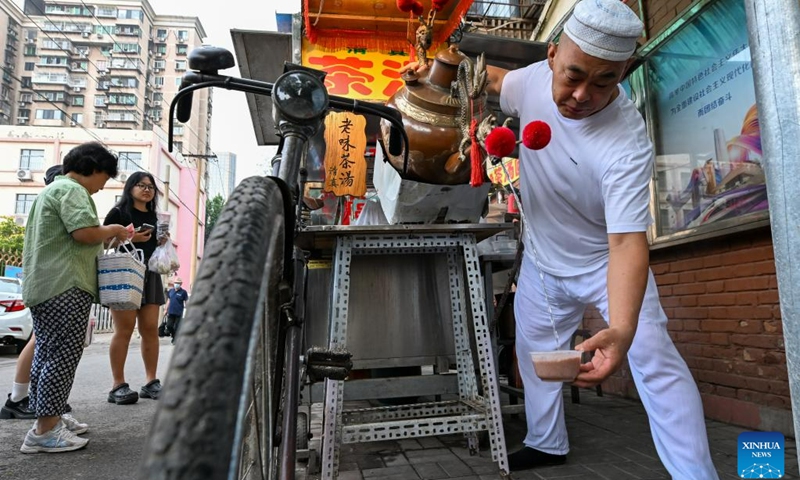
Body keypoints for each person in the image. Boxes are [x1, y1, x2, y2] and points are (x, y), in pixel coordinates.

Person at [482, 0, 718, 477]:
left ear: (624, 71)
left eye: (604, 80)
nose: (581, 95)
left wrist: (625, 330)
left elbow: (626, 243)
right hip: (545, 263)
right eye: (572, 76)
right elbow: (489, 80)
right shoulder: (530, 81)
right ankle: (547, 443)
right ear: (551, 56)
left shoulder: (626, 142)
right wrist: (446, 69)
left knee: (655, 361)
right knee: (535, 353)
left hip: (601, 264)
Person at [18, 142, 129, 453]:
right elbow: (84, 232)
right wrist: (113, 229)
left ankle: (47, 419)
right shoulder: (73, 190)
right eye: (104, 178)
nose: (101, 187)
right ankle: (45, 430)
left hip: (45, 284)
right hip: (65, 285)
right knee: (61, 356)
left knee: (46, 355)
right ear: (92, 169)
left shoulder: (51, 191)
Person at [1, 165, 68, 421]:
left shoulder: (46, 202)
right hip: (50, 284)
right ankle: (18, 398)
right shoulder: (55, 199)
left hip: (45, 283)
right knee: (40, 342)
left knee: (41, 343)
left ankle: (41, 402)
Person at [103, 172, 166, 404]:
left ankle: (151, 382)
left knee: (150, 328)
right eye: (141, 185)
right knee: (124, 329)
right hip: (124, 272)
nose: (146, 189)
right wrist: (131, 240)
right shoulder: (118, 213)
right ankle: (117, 385)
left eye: (150, 186)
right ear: (130, 188)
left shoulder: (155, 216)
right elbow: (101, 241)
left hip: (150, 272)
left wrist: (162, 241)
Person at [164, 277, 188, 344]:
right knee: (169, 326)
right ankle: (174, 336)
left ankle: (175, 339)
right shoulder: (171, 291)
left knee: (176, 327)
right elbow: (168, 300)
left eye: (178, 283)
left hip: (178, 313)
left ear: (181, 284)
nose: (176, 284)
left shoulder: (183, 292)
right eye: (175, 283)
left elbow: (186, 301)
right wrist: (166, 309)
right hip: (170, 312)